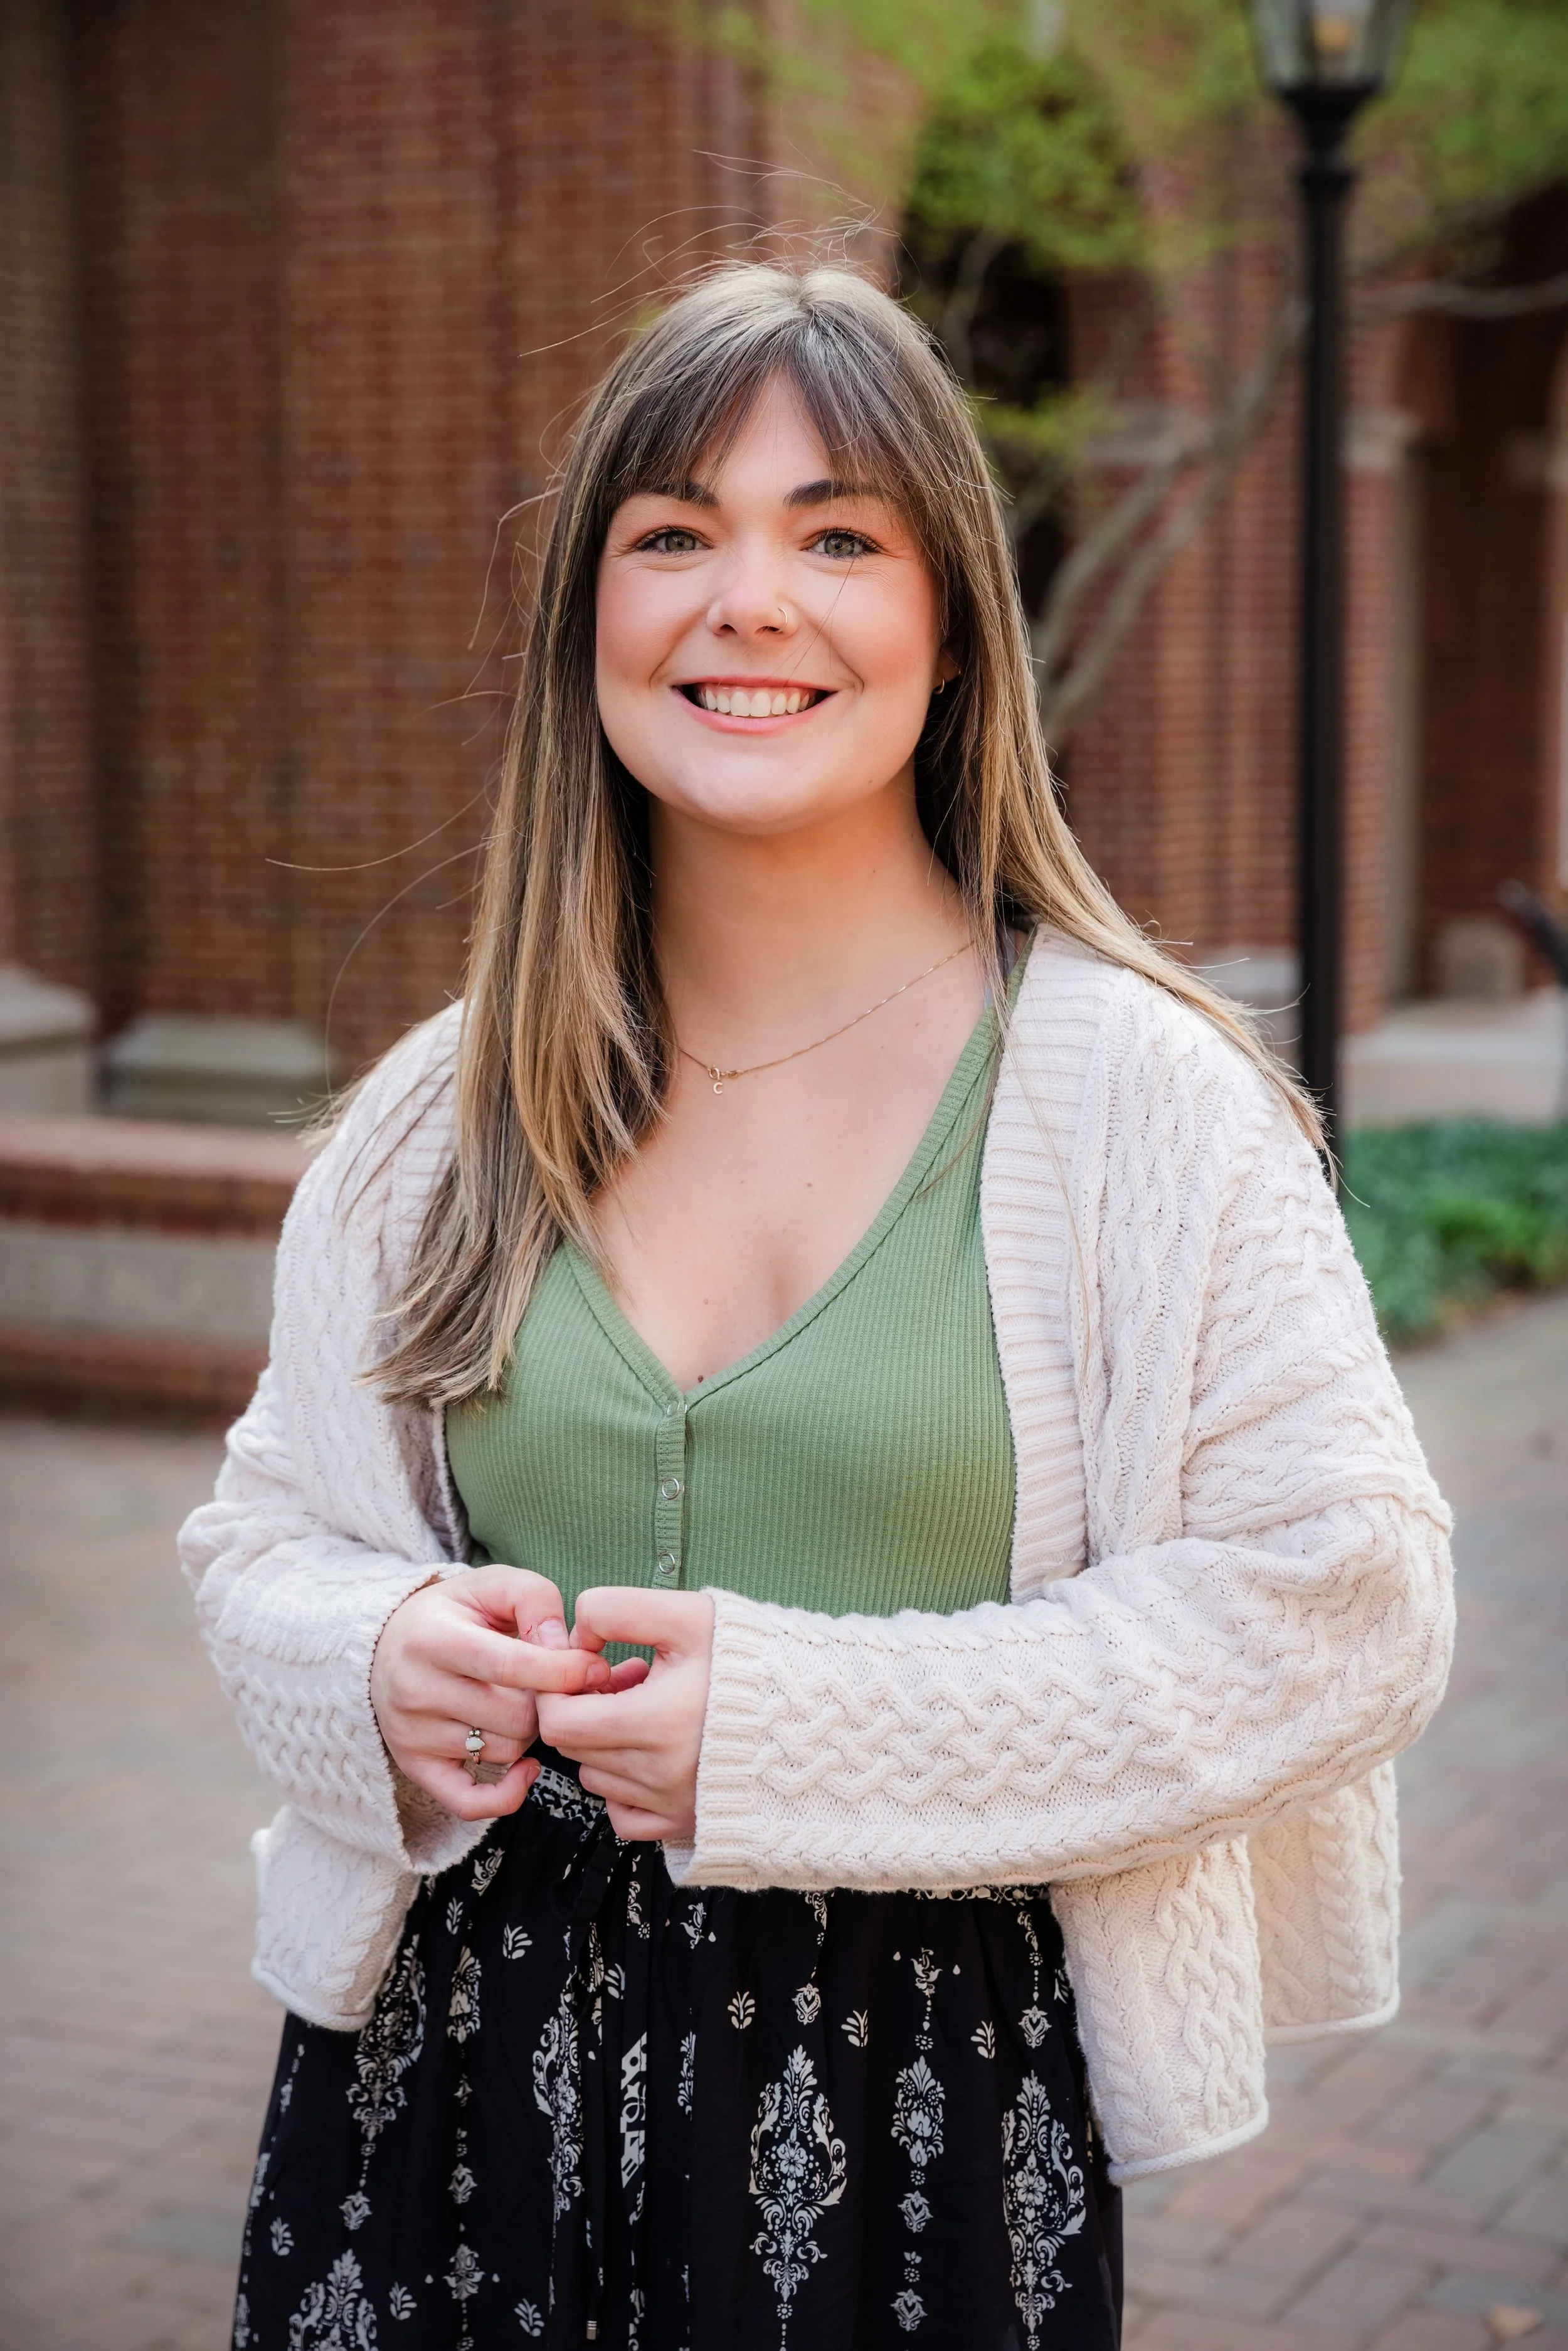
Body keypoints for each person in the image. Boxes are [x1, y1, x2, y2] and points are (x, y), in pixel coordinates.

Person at [180, 263, 1454, 2351]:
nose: (746, 600)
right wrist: (376, 1650)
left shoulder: (1138, 1101)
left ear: (949, 632)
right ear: (587, 617)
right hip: (439, 2098)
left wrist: (802, 1732)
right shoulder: (443, 1108)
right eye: (673, 532)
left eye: (837, 536)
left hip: (911, 2117)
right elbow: (262, 1533)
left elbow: (1348, 1597)